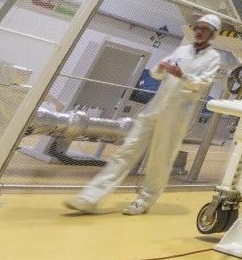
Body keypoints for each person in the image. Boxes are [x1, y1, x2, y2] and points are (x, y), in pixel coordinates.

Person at [66, 14, 229, 216]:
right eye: (197, 27)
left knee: (160, 160)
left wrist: (182, 75)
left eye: (204, 29)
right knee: (127, 151)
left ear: (212, 33)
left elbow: (203, 84)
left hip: (177, 114)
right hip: (155, 108)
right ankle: (90, 198)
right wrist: (160, 68)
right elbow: (156, 74)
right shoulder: (182, 50)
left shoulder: (213, 58)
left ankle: (144, 200)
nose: (198, 31)